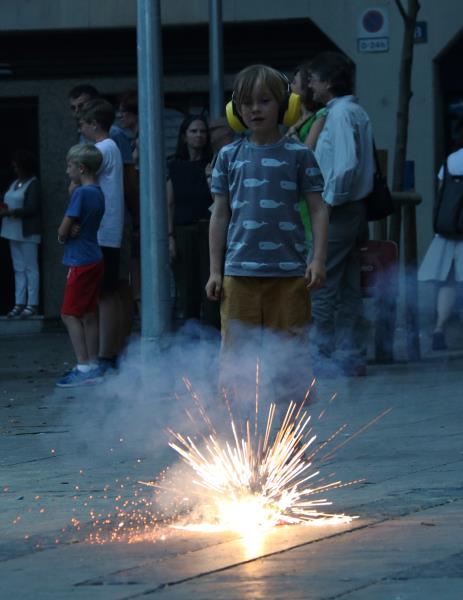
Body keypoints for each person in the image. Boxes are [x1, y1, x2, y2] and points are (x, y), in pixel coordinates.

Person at [206, 64, 329, 383]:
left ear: (285, 105)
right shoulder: (228, 157)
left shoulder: (300, 155)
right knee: (235, 362)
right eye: (246, 103)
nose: (254, 109)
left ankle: (292, 430)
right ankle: (238, 428)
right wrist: (215, 270)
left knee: (292, 359)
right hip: (238, 276)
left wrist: (317, 260)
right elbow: (219, 214)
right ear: (235, 110)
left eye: (264, 101)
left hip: (289, 276)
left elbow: (318, 209)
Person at [308, 52, 374, 377]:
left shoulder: (342, 114)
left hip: (339, 208)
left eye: (314, 78)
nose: (310, 84)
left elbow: (346, 165)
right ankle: (351, 354)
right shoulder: (350, 111)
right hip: (349, 208)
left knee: (320, 279)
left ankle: (321, 356)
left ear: (329, 83)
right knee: (347, 285)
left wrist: (329, 203)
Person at [78, 99, 125, 372]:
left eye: (83, 124)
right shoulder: (113, 148)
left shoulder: (100, 149)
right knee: (110, 292)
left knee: (104, 294)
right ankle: (110, 351)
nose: (81, 129)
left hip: (101, 229)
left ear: (94, 124)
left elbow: (81, 182)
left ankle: (106, 355)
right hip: (110, 228)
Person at [56, 144, 105, 387]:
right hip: (94, 255)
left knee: (68, 313)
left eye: (70, 166)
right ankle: (93, 363)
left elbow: (64, 228)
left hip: (79, 260)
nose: (67, 171)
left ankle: (83, 364)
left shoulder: (81, 194)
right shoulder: (97, 192)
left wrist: (63, 235)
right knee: (88, 313)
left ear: (81, 168)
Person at [418, 117, 463, 350]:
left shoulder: (450, 160)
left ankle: (438, 328)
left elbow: (441, 195)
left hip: (449, 231)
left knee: (448, 282)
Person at [167, 114, 214, 326]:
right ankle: (190, 340)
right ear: (184, 136)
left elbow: (220, 200)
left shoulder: (213, 164)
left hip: (209, 229)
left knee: (211, 286)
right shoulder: (174, 166)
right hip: (184, 229)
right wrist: (170, 236)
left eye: (203, 131)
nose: (199, 136)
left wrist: (210, 177)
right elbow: (170, 203)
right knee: (187, 288)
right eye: (193, 131)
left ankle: (213, 336)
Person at [287, 62, 328, 243]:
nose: (291, 86)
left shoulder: (320, 116)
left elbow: (307, 151)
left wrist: (293, 136)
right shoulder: (295, 117)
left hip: (309, 187)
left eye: (295, 82)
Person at [0, 150, 41, 318]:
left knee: (31, 268)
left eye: (17, 165)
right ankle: (19, 302)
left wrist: (10, 213)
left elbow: (32, 208)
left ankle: (32, 303)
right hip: (11, 230)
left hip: (27, 231)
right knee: (18, 268)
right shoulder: (15, 183)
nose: (14, 168)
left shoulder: (33, 184)